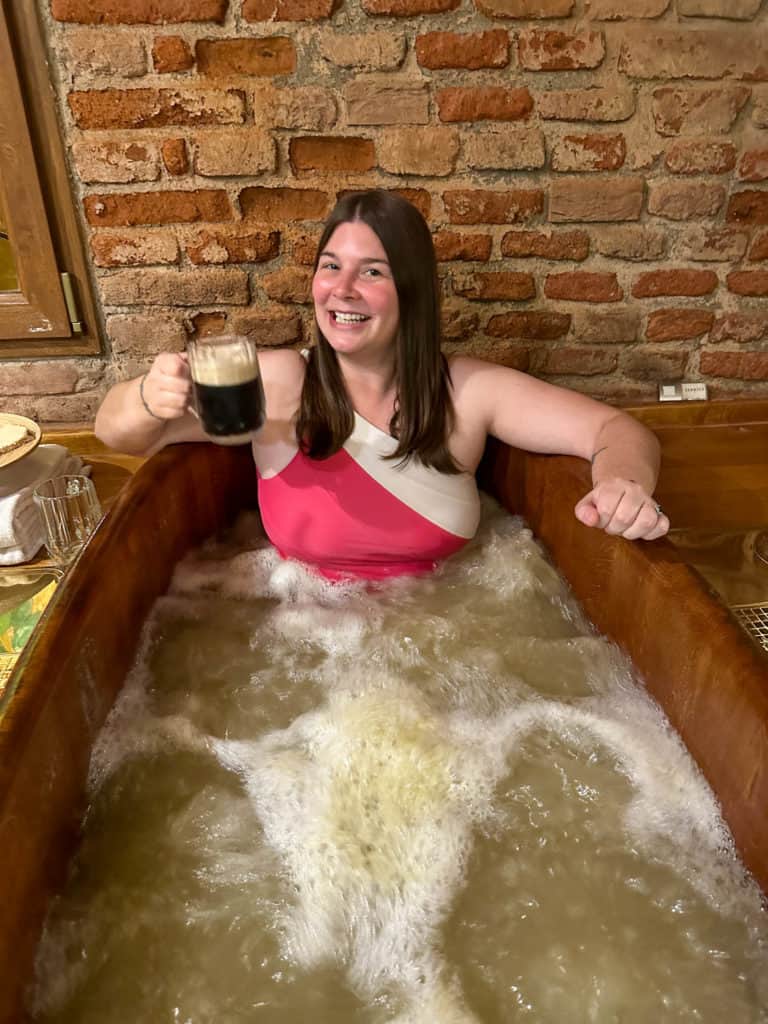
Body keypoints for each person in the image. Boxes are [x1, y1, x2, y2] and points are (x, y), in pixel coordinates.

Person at [95, 189, 669, 581]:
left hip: (452, 642)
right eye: (330, 265)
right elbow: (118, 433)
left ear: (411, 291)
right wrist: (149, 396)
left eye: (372, 271)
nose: (341, 289)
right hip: (303, 648)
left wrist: (621, 482)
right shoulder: (277, 383)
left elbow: (615, 428)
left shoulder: (467, 393)